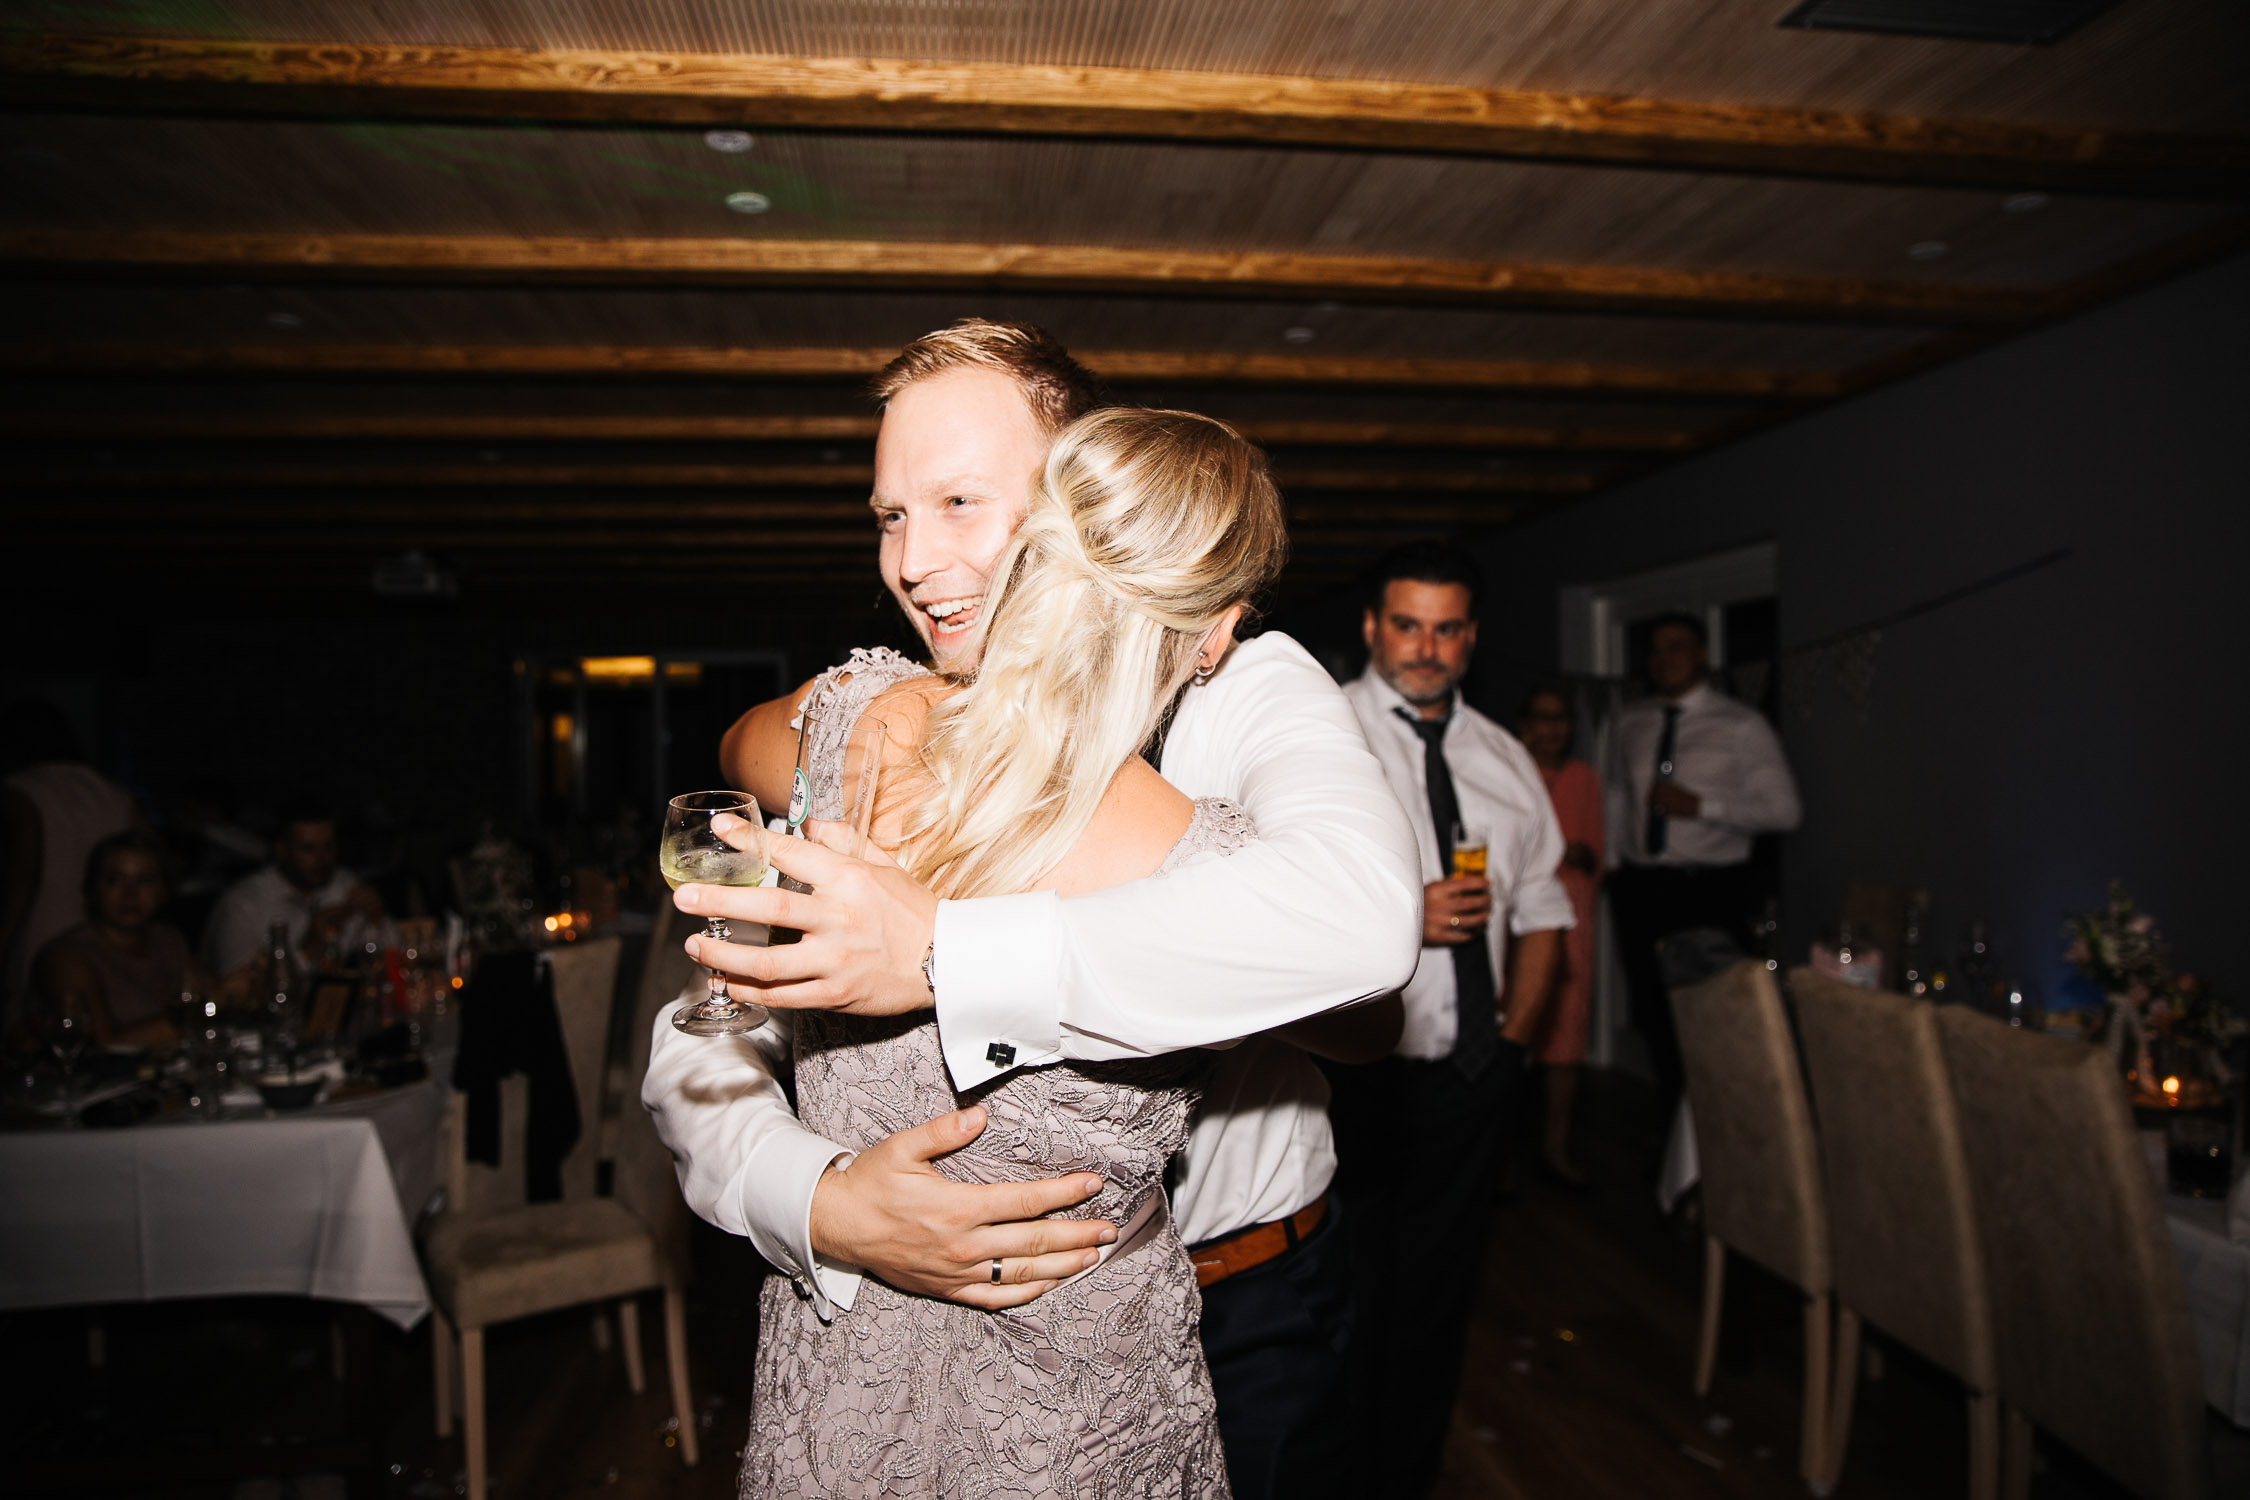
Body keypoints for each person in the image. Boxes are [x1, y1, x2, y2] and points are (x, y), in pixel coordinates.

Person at [643, 320, 1418, 1500]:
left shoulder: (1241, 680)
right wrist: (815, 1198)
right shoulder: (870, 712)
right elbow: (710, 1017)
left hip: (1219, 1292)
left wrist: (942, 948)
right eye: (890, 516)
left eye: (960, 502)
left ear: (1081, 504)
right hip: (858, 1349)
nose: (912, 561)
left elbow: (1364, 970)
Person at [1332, 542, 1573, 1500]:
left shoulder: (1504, 757)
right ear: (1372, 628)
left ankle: (1407, 1480)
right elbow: (1268, 896)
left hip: (1472, 1072)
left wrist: (1512, 1043)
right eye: (1407, 625)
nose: (1425, 648)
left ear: (1470, 639)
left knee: (1438, 1300)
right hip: (1351, 1075)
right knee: (1349, 1296)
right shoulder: (1325, 733)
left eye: (1445, 629)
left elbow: (1546, 907)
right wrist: (1401, 917)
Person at [1602, 612, 1801, 1118]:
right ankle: (1674, 1128)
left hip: (1710, 890)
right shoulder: (1631, 721)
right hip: (1642, 889)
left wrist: (1702, 807)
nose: (1663, 659)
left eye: (1676, 647)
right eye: (1655, 650)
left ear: (1703, 655)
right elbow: (1617, 796)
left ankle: (1722, 1127)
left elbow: (1785, 812)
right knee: (1655, 1013)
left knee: (1712, 1013)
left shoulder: (1741, 725)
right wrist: (1612, 862)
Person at [2, 699, 140, 1019]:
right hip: (108, 928)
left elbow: (24, 872)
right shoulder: (110, 790)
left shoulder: (19, 790)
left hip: (45, 923)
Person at [1518, 685, 1604, 1184]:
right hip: (1514, 918)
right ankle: (1502, 1159)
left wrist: (1574, 852)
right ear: (1524, 723)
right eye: (1542, 717)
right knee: (1511, 1027)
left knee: (1566, 1037)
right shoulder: (1509, 772)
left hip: (1571, 917)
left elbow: (1597, 855)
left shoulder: (1584, 778)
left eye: (1561, 718)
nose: (1552, 729)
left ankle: (1556, 1148)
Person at [31, 828, 223, 1050]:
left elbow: (209, 992)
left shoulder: (170, 941)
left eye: (144, 880)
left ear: (164, 890)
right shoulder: (66, 957)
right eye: (114, 880)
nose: (130, 894)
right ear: (93, 888)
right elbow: (102, 1045)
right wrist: (217, 1001)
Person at [203, 799, 385, 975]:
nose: (322, 859)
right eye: (308, 848)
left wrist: (376, 919)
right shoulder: (243, 904)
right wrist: (308, 950)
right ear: (281, 849)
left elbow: (389, 954)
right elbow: (236, 986)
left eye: (329, 846)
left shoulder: (343, 885)